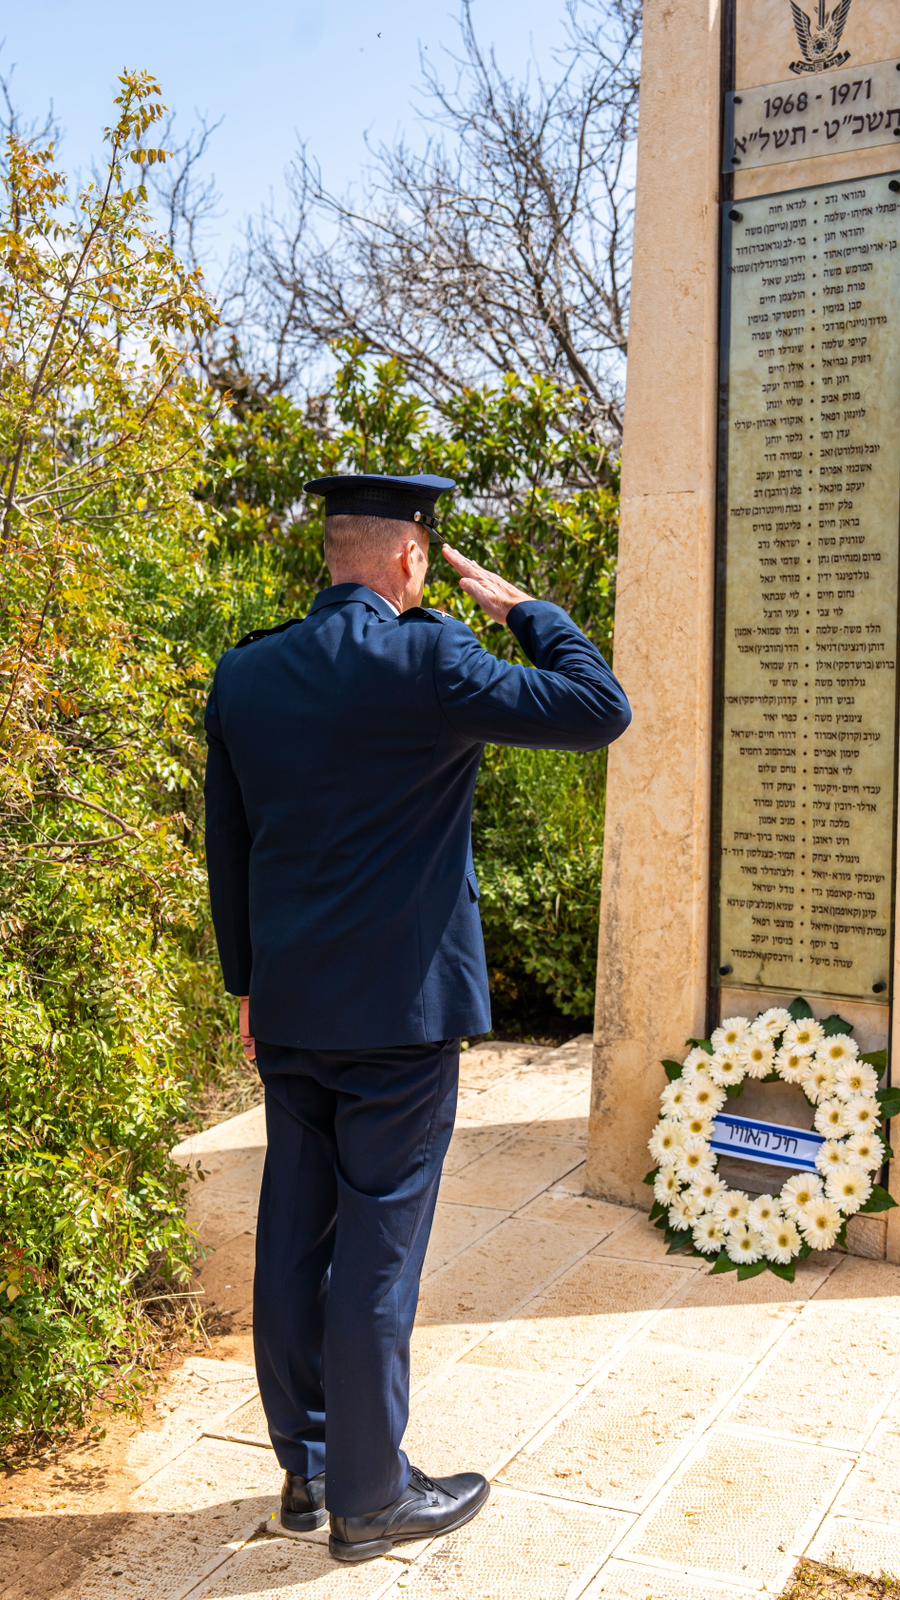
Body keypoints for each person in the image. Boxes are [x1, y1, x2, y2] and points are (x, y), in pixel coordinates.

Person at [203, 471, 631, 1565]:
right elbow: (599, 709)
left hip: (291, 1007)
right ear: (409, 557)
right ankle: (372, 1495)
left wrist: (249, 984)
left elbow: (229, 847)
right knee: (378, 1254)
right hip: (399, 1015)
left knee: (293, 1237)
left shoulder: (248, 672)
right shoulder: (432, 659)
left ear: (334, 552)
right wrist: (525, 611)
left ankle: (306, 1473)